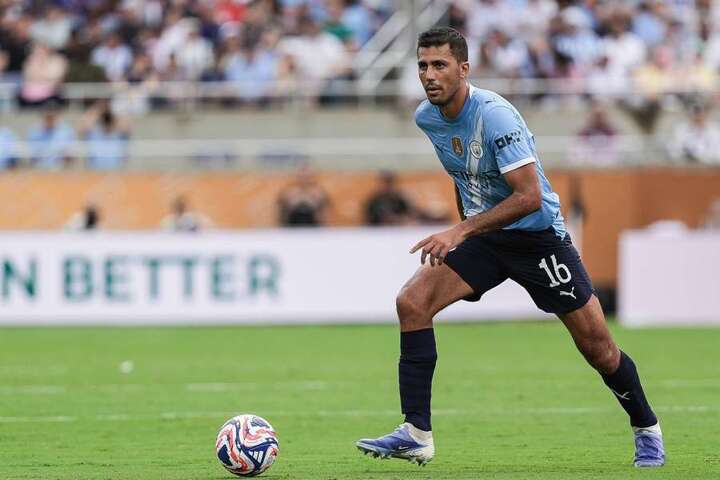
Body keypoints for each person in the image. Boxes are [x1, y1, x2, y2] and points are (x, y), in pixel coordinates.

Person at [356, 28, 664, 468]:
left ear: (464, 69)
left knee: (599, 348)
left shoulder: (496, 116)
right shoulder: (427, 117)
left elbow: (529, 197)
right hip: (487, 238)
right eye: (422, 66)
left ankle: (647, 429)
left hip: (538, 239)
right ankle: (416, 433)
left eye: (440, 65)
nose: (429, 75)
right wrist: (468, 229)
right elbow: (464, 177)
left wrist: (459, 231)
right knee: (412, 302)